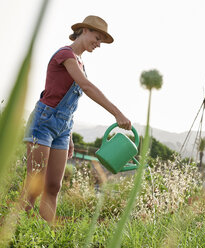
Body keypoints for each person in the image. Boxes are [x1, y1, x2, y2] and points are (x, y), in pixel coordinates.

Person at [22, 15, 131, 223]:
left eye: (101, 41)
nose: (98, 44)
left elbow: (68, 104)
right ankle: (13, 233)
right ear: (84, 31)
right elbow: (86, 87)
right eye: (97, 38)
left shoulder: (81, 63)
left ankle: (46, 233)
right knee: (35, 184)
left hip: (63, 129)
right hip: (43, 123)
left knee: (54, 186)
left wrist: (69, 135)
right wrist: (117, 113)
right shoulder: (65, 54)